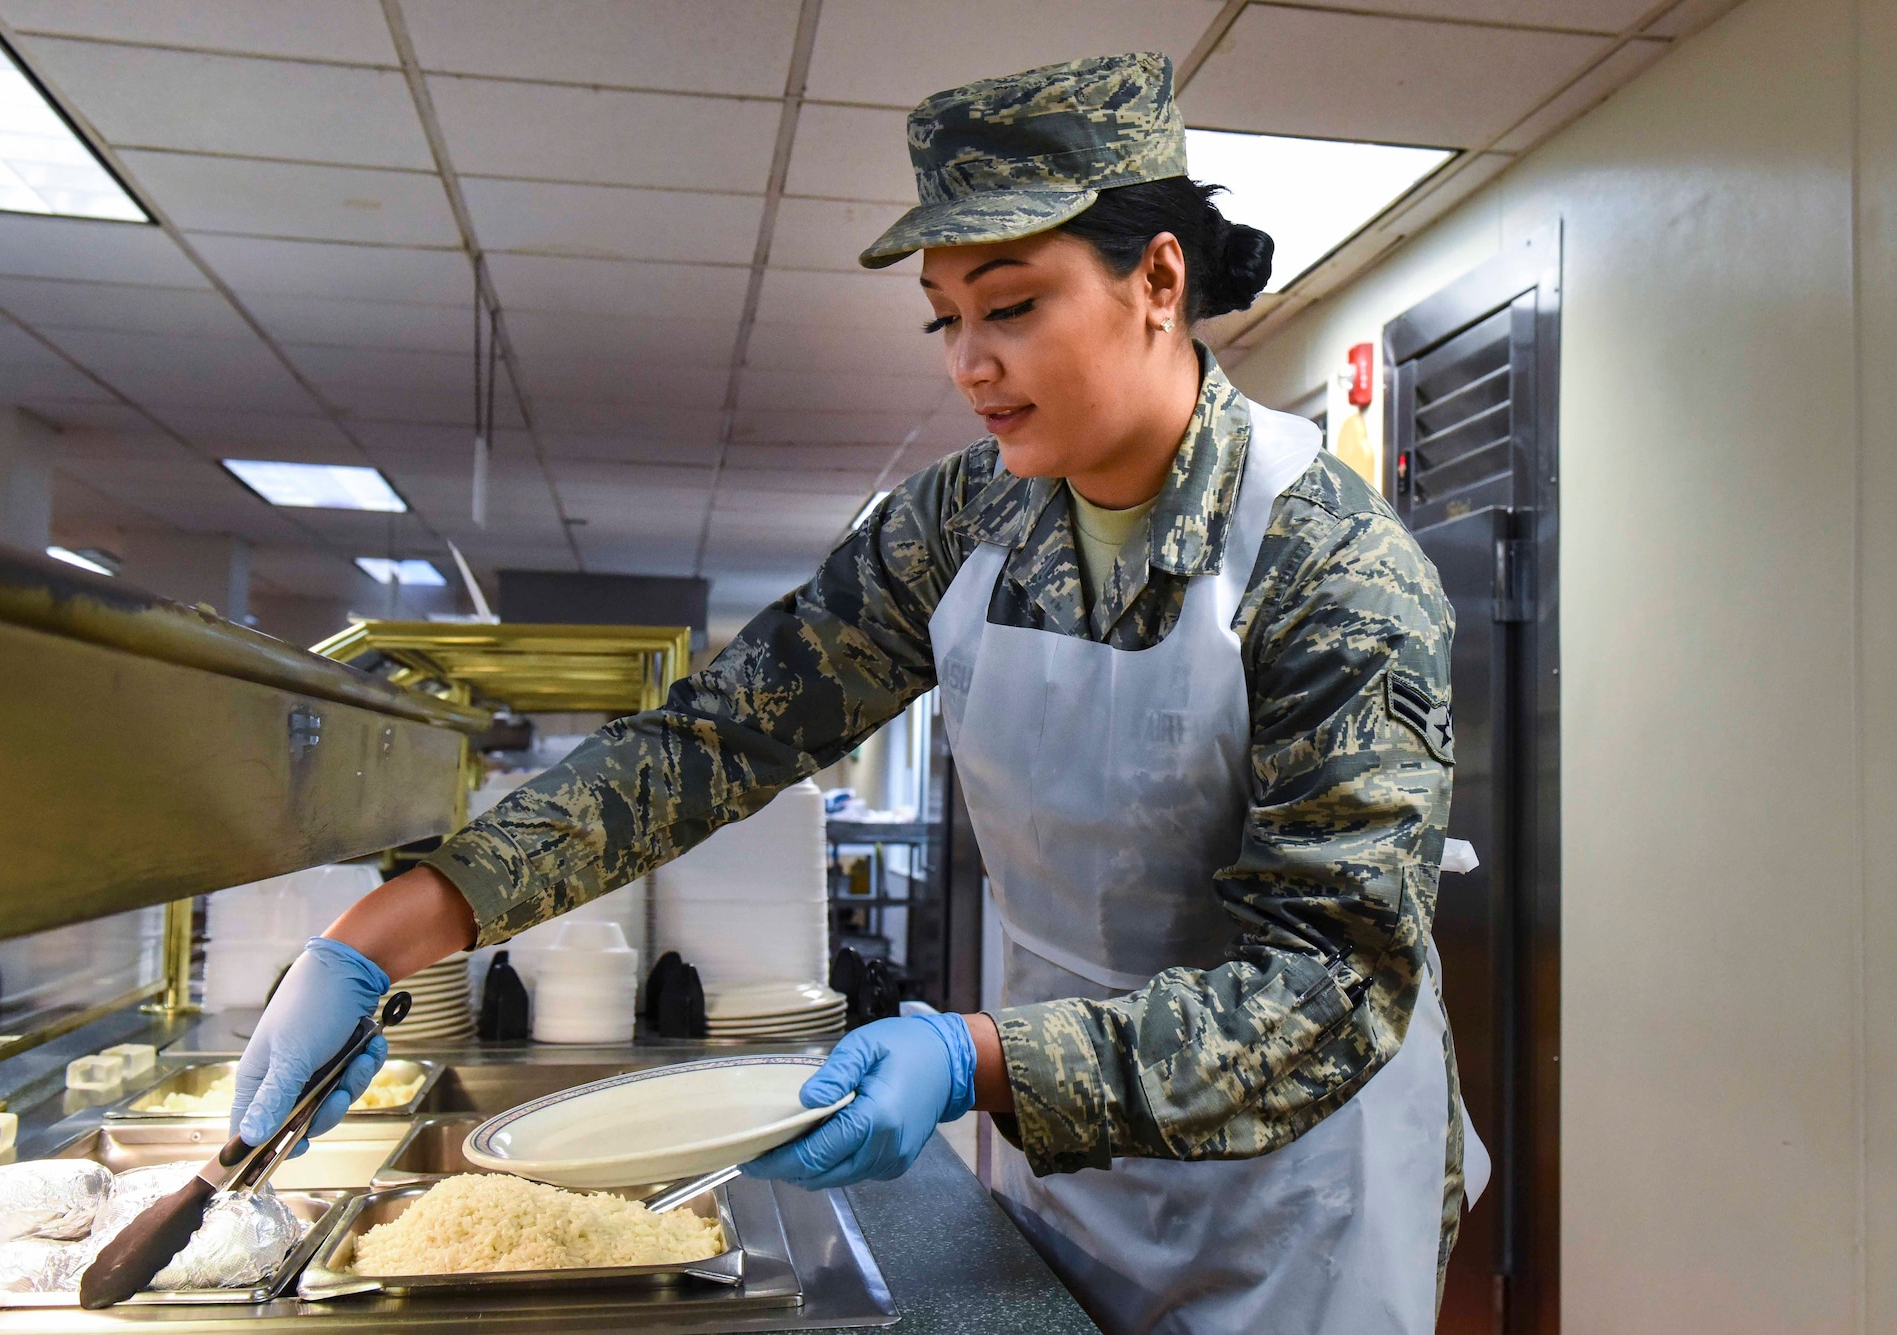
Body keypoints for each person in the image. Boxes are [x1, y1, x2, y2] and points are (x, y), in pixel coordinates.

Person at [229, 51, 1480, 1335]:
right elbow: (716, 741)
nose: (968, 364)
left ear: (1156, 278)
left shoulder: (1327, 566)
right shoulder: (959, 522)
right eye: (945, 318)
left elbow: (1327, 990)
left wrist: (969, 1056)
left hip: (1290, 1183)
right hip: (1063, 1150)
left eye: (1011, 306)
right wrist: (391, 928)